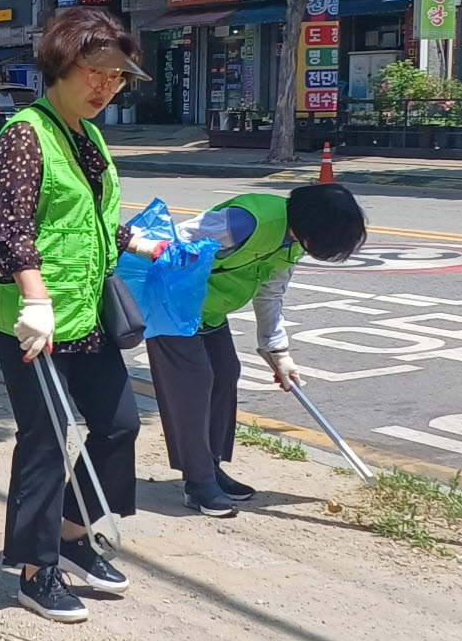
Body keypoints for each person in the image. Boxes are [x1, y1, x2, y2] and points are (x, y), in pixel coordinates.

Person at [0, 6, 163, 623]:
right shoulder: (25, 134)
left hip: (84, 313)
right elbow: (8, 229)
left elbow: (90, 217)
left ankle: (72, 534)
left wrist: (138, 241)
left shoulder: (87, 135)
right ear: (63, 63)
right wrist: (34, 300)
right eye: (97, 73)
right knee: (45, 437)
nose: (106, 88)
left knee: (118, 426)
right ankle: (36, 571)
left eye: (116, 79)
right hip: (34, 321)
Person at [144, 183, 367, 516]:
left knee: (225, 372)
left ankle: (211, 466)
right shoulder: (247, 221)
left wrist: (279, 353)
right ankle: (198, 482)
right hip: (172, 305)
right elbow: (175, 239)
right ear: (313, 227)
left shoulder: (292, 243)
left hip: (210, 309)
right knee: (194, 382)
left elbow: (270, 294)